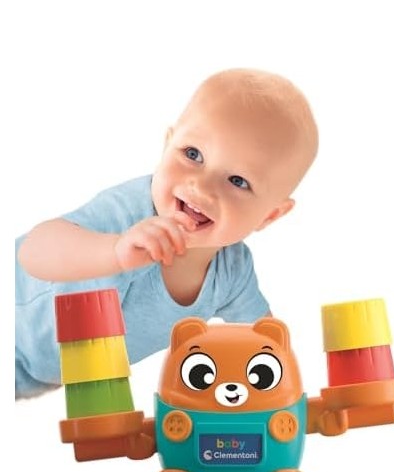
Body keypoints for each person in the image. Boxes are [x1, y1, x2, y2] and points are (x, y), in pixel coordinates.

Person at [16, 68, 319, 399]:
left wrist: (288, 399)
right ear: (167, 145)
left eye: (237, 181)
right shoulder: (130, 215)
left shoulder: (232, 272)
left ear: (270, 215)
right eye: (193, 154)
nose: (201, 186)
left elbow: (267, 343)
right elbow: (32, 252)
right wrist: (114, 251)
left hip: (31, 378)